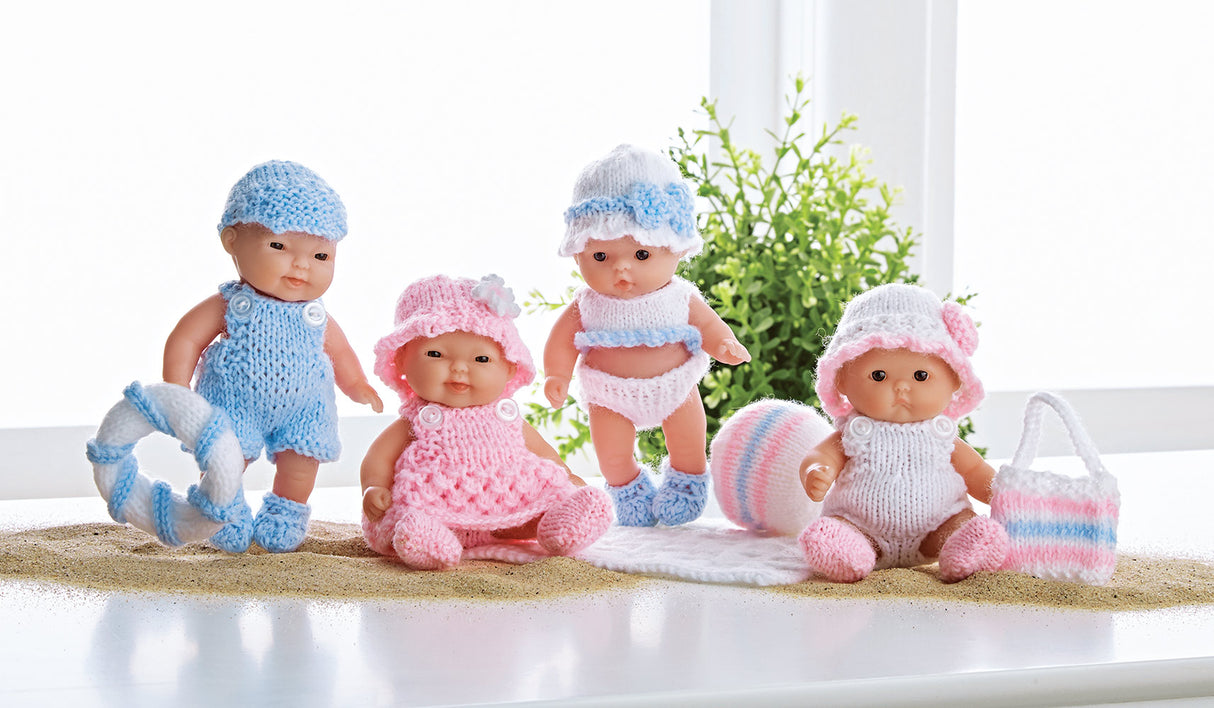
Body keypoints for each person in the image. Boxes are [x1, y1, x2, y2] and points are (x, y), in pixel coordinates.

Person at [163, 160, 382, 553]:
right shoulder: (229, 304)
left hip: (305, 406)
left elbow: (341, 352)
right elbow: (186, 339)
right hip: (234, 402)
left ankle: (287, 511)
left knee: (302, 463)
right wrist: (177, 387)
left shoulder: (315, 314)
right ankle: (222, 506)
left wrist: (357, 384)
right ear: (232, 241)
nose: (302, 264)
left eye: (321, 256)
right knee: (224, 459)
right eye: (279, 247)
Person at [545, 144, 750, 527]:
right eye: (601, 257)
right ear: (578, 256)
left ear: (676, 250)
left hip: (675, 387)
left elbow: (707, 325)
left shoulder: (679, 297)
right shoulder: (586, 305)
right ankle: (626, 487)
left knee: (688, 439)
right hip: (608, 394)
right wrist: (557, 375)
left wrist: (723, 343)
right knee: (612, 452)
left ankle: (687, 480)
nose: (621, 270)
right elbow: (561, 340)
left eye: (641, 255)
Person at [361, 274, 612, 570]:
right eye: (435, 354)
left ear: (509, 368)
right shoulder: (415, 420)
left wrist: (567, 476)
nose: (459, 368)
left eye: (481, 359)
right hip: (438, 501)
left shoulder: (506, 417)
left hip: (508, 498)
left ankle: (561, 526)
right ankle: (425, 540)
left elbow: (544, 453)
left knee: (543, 498)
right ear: (402, 359)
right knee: (408, 514)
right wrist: (373, 487)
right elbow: (379, 456)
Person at [797, 283, 1009, 582]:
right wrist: (817, 469)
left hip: (937, 524)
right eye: (878, 375)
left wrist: (999, 492)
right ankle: (847, 549)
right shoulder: (855, 432)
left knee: (961, 522)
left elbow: (974, 469)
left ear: (954, 380)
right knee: (838, 529)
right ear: (841, 379)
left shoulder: (940, 434)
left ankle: (966, 546)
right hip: (862, 524)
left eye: (921, 376)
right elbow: (821, 455)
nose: (901, 387)